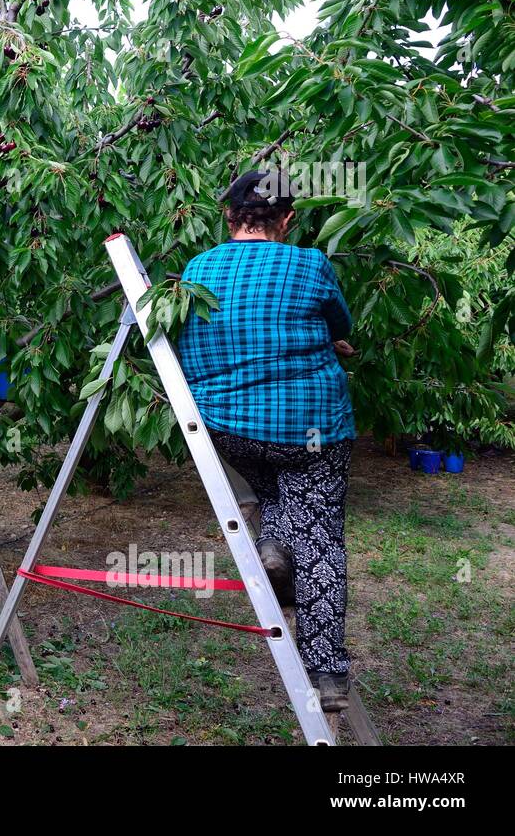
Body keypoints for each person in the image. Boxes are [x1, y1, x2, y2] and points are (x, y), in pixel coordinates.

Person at [176, 169, 357, 712]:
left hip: (227, 430)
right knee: (320, 532)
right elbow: (339, 324)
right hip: (310, 431)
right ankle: (326, 673)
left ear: (229, 217)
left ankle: (276, 545)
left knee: (277, 491)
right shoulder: (309, 264)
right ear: (287, 219)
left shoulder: (196, 270)